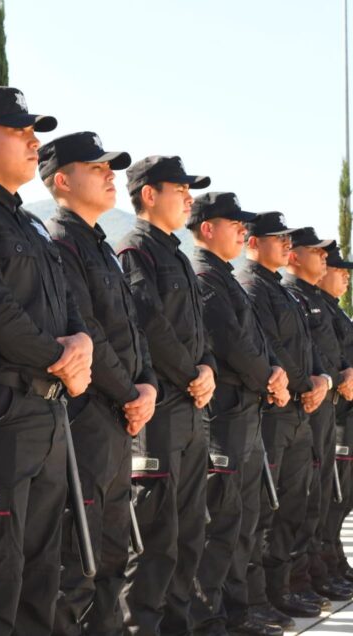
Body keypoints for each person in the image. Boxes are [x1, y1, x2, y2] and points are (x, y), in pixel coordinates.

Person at [0, 87, 93, 635]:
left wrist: (81, 344)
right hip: (4, 413)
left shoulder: (29, 222)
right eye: (20, 132)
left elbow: (68, 305)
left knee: (41, 573)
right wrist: (60, 356)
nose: (35, 143)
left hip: (48, 415)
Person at [38, 131, 158, 635]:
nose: (110, 175)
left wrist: (147, 385)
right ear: (63, 181)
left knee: (112, 553)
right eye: (97, 168)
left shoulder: (100, 245)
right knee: (78, 561)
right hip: (86, 419)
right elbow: (86, 331)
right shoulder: (60, 242)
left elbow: (133, 331)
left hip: (117, 421)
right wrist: (131, 394)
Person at [116, 155, 216, 635]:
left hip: (191, 410)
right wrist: (192, 373)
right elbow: (149, 323)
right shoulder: (135, 251)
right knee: (155, 534)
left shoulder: (176, 254)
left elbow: (200, 332)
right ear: (150, 194)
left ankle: (179, 625)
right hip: (161, 412)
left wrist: (208, 368)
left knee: (189, 531)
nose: (188, 199)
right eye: (180, 189)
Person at [187, 193, 289, 636]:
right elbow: (229, 342)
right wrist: (270, 377)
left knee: (244, 520)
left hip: (246, 414)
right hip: (224, 416)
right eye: (235, 224)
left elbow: (257, 340)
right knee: (220, 523)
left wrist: (275, 371)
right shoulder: (205, 277)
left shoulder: (225, 278)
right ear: (208, 228)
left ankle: (236, 610)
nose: (243, 232)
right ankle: (208, 618)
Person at [236, 214, 326, 624]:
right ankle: (261, 596)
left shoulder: (279, 290)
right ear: (254, 243)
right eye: (279, 238)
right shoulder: (253, 285)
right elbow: (271, 346)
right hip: (275, 410)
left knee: (293, 504)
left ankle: (283, 587)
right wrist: (307, 383)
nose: (287, 245)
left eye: (289, 239)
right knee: (264, 511)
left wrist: (321, 378)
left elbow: (307, 346)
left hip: (298, 410)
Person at [282, 228, 353, 604]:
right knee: (307, 500)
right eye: (335, 266)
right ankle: (300, 577)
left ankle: (321, 567)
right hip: (310, 408)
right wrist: (338, 377)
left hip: (329, 406)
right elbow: (306, 353)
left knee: (324, 497)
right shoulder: (294, 296)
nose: (339, 273)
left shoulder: (320, 304)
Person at [318, 244, 353, 585]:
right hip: (337, 415)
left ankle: (333, 560)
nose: (345, 277)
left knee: (341, 500)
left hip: (342, 415)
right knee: (333, 498)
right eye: (339, 271)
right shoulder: (317, 309)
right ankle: (325, 565)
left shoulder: (334, 310)